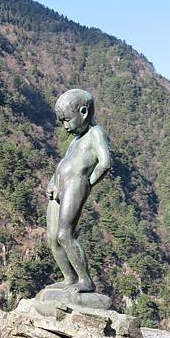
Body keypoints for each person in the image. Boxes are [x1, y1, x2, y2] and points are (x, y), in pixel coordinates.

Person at [45, 89, 111, 293]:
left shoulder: (95, 133)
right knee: (52, 238)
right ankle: (69, 277)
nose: (65, 126)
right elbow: (64, 165)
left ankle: (85, 280)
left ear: (83, 112)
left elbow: (105, 163)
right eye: (61, 122)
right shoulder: (74, 141)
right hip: (60, 187)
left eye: (67, 120)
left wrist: (87, 183)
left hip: (76, 185)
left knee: (65, 234)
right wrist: (52, 183)